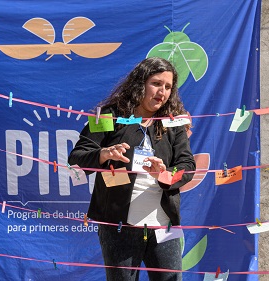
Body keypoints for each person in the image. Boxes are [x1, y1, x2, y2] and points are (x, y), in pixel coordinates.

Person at [68, 57, 196, 281]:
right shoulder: (108, 114)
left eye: (168, 87)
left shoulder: (172, 122)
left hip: (165, 228)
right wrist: (102, 154)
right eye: (156, 83)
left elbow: (188, 166)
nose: (162, 92)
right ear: (140, 83)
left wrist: (164, 174)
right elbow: (76, 158)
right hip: (118, 228)